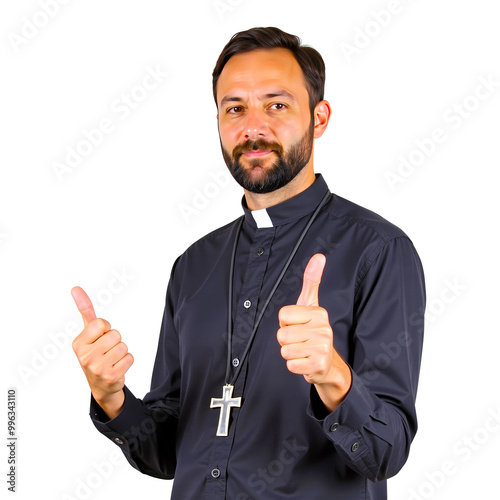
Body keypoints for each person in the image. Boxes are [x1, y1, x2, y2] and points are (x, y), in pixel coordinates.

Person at [71, 27, 425, 499]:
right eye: (234, 108)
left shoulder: (377, 250)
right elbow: (165, 454)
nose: (252, 127)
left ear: (318, 118)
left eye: (277, 105)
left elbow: (387, 453)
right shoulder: (193, 266)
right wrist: (111, 398)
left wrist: (334, 378)